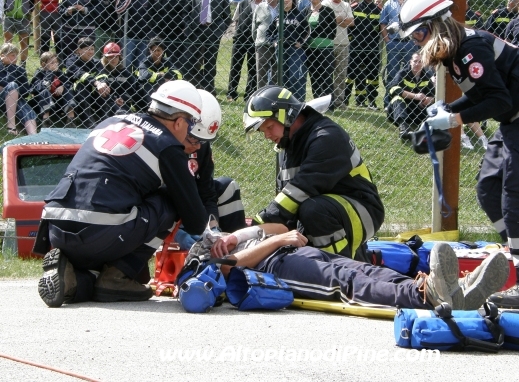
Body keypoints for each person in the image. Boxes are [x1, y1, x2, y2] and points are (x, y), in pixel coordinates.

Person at [399, 0, 519, 309]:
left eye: (419, 33)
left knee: (514, 201)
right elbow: (485, 94)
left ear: (436, 24)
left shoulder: (469, 48)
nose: (417, 42)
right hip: (518, 117)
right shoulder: (458, 48)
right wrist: (446, 110)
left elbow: (497, 99)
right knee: (489, 190)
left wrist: (453, 118)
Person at [37, 80, 205, 308]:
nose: (189, 130)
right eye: (191, 123)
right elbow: (195, 220)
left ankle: (73, 279)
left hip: (56, 228)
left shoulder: (110, 121)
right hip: (99, 232)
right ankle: (118, 275)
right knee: (169, 200)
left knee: (96, 272)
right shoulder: (167, 146)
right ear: (178, 122)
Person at [243, 86, 385, 261]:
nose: (267, 135)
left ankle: (342, 273)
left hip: (364, 210)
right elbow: (287, 204)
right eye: (263, 131)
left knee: (313, 210)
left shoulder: (326, 137)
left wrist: (258, 224)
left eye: (269, 127)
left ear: (286, 116)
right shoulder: (290, 147)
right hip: (331, 211)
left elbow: (300, 190)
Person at [208, 229, 509, 312]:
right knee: (346, 282)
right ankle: (425, 294)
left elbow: (277, 228)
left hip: (295, 250)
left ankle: (453, 287)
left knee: (366, 269)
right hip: (275, 267)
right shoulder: (201, 249)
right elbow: (225, 269)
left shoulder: (229, 234)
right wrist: (273, 240)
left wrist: (239, 234)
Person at [174, 90, 247, 249]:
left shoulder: (201, 146)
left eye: (203, 141)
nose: (198, 146)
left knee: (228, 186)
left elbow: (207, 191)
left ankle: (236, 247)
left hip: (192, 200)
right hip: (167, 210)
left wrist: (213, 225)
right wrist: (175, 233)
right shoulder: (162, 149)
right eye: (194, 140)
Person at [185, 0, 231, 94]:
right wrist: (189, 28)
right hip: (195, 30)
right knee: (192, 60)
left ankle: (209, 89)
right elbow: (186, 12)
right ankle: (192, 88)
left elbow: (226, 16)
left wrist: (219, 31)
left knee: (210, 62)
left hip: (212, 31)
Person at [379, 0, 417, 109]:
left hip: (410, 43)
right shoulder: (388, 3)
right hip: (393, 43)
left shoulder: (414, 2)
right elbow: (382, 23)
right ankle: (388, 103)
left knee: (411, 73)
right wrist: (387, 41)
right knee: (392, 73)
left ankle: (410, 103)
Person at [226, 0, 266, 102]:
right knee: (235, 66)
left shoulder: (265, 6)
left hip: (256, 41)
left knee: (253, 68)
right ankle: (231, 94)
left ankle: (249, 95)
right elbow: (236, 20)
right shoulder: (243, 3)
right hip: (240, 39)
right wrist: (236, 33)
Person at [147, 0, 188, 75]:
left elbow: (187, 10)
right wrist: (152, 26)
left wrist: (183, 26)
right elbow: (150, 9)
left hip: (176, 32)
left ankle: (173, 80)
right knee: (154, 58)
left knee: (175, 62)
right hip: (158, 31)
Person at [347, 0, 382, 109]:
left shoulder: (379, 11)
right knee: (350, 74)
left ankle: (371, 101)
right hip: (355, 47)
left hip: (372, 47)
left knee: (372, 75)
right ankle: (345, 100)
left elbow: (381, 28)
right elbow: (349, 28)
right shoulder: (354, 8)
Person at [58, 0, 101, 64]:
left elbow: (99, 10)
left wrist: (84, 9)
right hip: (69, 29)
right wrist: (67, 11)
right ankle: (71, 73)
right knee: (70, 56)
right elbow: (59, 9)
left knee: (86, 55)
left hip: (87, 29)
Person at [388, 52, 435, 139]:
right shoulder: (402, 74)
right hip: (400, 109)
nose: (417, 64)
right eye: (415, 61)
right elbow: (393, 89)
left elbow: (433, 95)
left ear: (424, 63)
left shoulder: (427, 77)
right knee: (397, 98)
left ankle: (431, 127)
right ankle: (403, 128)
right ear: (410, 62)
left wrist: (429, 100)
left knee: (434, 105)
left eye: (420, 61)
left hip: (417, 110)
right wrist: (415, 96)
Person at [323, 0, 354, 110]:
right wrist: (340, 19)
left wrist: (336, 20)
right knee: (327, 74)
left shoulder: (346, 5)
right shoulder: (325, 4)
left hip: (343, 44)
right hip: (329, 44)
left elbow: (351, 22)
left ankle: (339, 102)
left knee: (341, 74)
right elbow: (326, 21)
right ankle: (326, 101)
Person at [305, 0, 337, 99]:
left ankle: (329, 103)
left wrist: (319, 35)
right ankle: (317, 101)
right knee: (314, 77)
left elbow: (333, 31)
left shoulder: (328, 11)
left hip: (325, 49)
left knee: (327, 76)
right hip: (310, 50)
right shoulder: (305, 11)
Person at [277, 0, 309, 102]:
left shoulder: (299, 15)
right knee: (282, 76)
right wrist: (274, 41)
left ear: (293, 0)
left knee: (294, 76)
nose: (286, 0)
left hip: (294, 50)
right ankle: (284, 100)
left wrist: (301, 41)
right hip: (280, 49)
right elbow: (269, 31)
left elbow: (307, 30)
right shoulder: (278, 15)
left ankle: (297, 100)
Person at [29, 51, 76, 127]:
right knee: (45, 91)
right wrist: (50, 72)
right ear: (43, 64)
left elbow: (68, 82)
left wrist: (62, 87)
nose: (55, 65)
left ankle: (71, 118)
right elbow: (39, 87)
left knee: (68, 90)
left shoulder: (58, 72)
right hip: (42, 103)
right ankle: (46, 119)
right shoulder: (39, 73)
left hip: (57, 102)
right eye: (52, 63)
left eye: (56, 62)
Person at [135, 37, 183, 110]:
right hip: (145, 92)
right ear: (150, 51)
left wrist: (156, 76)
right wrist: (162, 76)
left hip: (162, 88)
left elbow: (179, 75)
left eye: (159, 50)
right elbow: (144, 76)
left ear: (163, 51)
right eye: (153, 50)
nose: (156, 53)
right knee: (147, 84)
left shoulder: (167, 61)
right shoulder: (144, 62)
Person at [0, 43, 37, 135]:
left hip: (14, 100)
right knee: (12, 85)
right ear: (2, 55)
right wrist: (11, 87)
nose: (16, 58)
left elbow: (25, 91)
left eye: (17, 55)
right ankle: (11, 125)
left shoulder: (20, 70)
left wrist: (13, 90)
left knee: (27, 110)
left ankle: (33, 135)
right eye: (12, 55)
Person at [3, 0, 34, 67]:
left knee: (24, 42)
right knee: (7, 41)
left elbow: (32, 3)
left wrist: (28, 12)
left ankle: (22, 65)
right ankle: (4, 62)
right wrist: (5, 9)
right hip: (9, 16)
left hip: (24, 18)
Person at [115, 0, 150, 68]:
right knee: (127, 63)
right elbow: (119, 9)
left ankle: (138, 80)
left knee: (140, 63)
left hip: (143, 37)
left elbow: (149, 17)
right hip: (128, 36)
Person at [252, 0, 279, 89]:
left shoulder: (282, 7)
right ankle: (261, 96)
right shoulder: (259, 7)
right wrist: (258, 40)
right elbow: (254, 27)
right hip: (262, 44)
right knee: (261, 74)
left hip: (278, 44)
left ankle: (274, 95)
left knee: (277, 73)